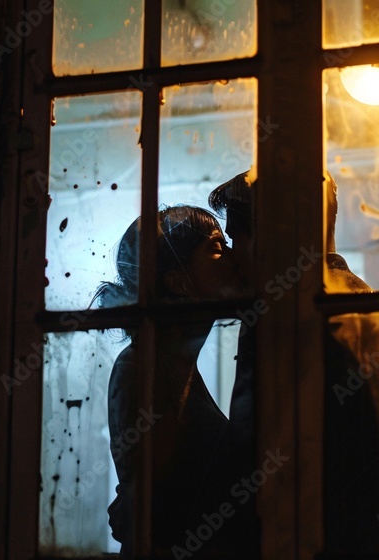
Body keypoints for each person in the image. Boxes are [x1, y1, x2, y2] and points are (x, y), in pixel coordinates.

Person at [209, 171, 379, 552]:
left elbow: (252, 466)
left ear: (273, 234)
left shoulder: (284, 312)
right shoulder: (361, 302)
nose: (232, 257)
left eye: (238, 238)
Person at [98, 205, 258, 558]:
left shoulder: (175, 364)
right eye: (217, 247)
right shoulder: (143, 366)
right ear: (178, 281)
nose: (233, 256)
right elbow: (153, 511)